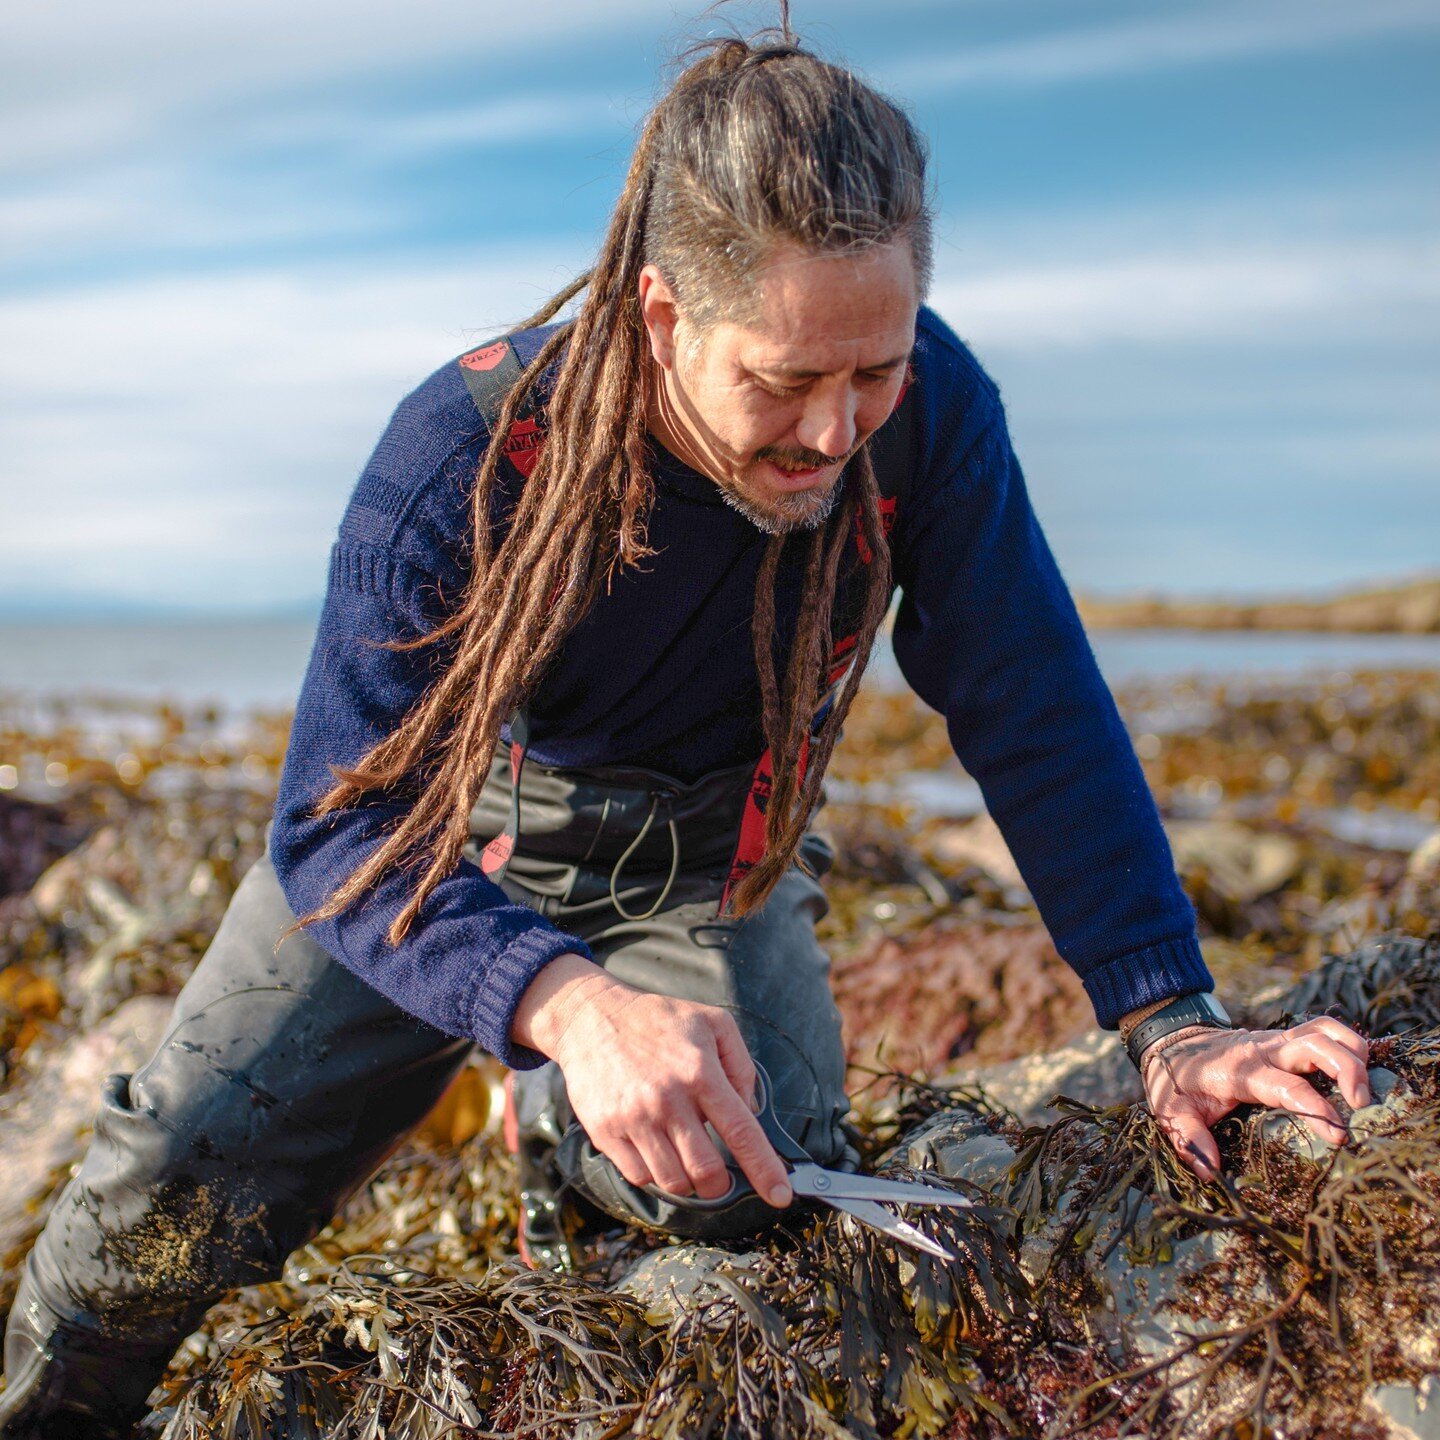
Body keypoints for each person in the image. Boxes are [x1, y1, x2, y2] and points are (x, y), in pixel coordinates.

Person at [0, 18, 1372, 1439]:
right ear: (663, 316)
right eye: (784, 380)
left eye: (873, 372)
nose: (837, 433)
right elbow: (339, 823)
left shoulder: (932, 414)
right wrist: (571, 1005)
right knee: (169, 1183)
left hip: (708, 858)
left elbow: (1034, 700)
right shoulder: (468, 451)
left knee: (758, 1180)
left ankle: (564, 1147)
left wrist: (1170, 1020)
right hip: (443, 844)